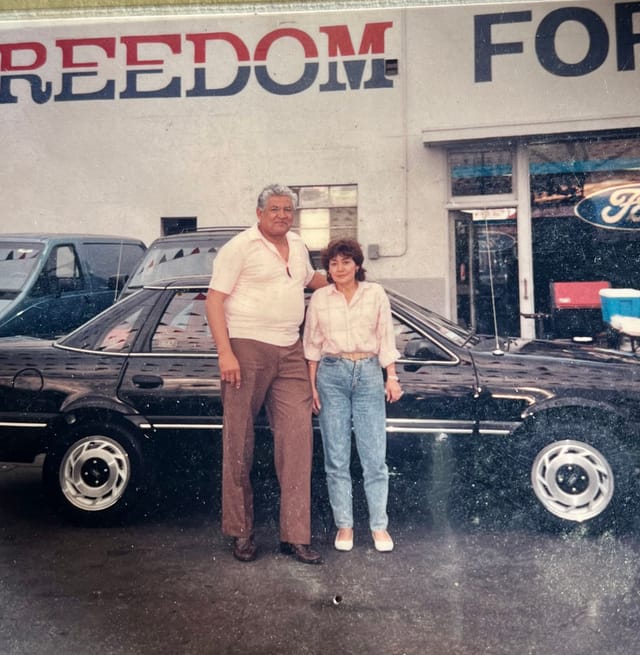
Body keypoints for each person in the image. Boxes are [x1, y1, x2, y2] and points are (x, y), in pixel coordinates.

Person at [205, 184, 327, 565]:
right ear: (258, 213)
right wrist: (226, 352)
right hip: (245, 348)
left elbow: (311, 281)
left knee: (297, 443)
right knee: (239, 443)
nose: (282, 215)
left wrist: (351, 276)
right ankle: (241, 533)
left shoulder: (298, 244)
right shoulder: (239, 248)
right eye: (274, 209)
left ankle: (296, 537)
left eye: (288, 209)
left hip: (291, 350)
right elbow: (214, 300)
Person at [303, 238, 402, 553]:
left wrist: (392, 377)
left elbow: (386, 336)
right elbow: (313, 344)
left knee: (374, 457)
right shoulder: (320, 298)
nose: (340, 268)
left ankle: (379, 526)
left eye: (346, 261)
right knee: (337, 456)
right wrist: (312, 385)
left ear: (357, 265)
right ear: (328, 268)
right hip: (331, 376)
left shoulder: (375, 294)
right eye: (333, 263)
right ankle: (344, 525)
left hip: (369, 375)